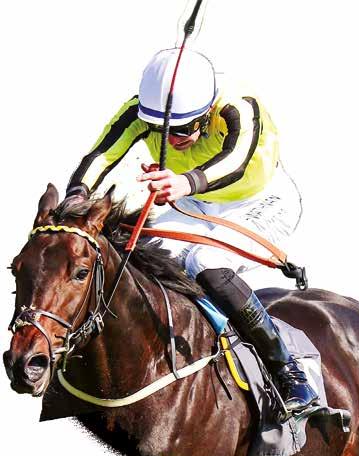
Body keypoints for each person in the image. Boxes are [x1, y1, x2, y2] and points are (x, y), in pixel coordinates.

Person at [65, 48, 319, 413]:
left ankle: (288, 371)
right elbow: (101, 156)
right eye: (162, 131)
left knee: (204, 261)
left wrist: (185, 182)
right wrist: (74, 202)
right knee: (138, 251)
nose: (172, 140)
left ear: (206, 111)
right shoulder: (141, 110)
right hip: (196, 202)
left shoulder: (238, 106)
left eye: (183, 130)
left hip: (261, 201)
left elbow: (237, 160)